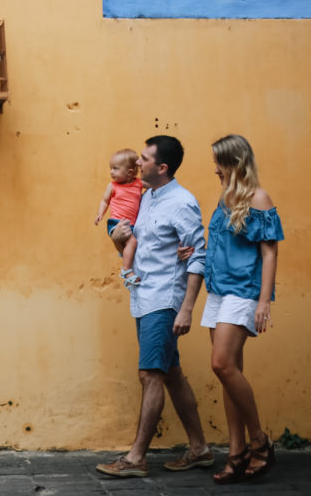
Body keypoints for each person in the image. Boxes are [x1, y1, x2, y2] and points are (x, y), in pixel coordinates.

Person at [96, 135, 212, 478]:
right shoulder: (145, 198)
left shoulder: (182, 202)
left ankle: (135, 458)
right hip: (145, 297)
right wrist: (119, 247)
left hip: (164, 300)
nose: (137, 164)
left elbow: (198, 256)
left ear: (161, 167)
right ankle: (200, 449)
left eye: (144, 159)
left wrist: (187, 308)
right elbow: (142, 250)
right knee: (171, 374)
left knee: (150, 375)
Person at [201, 135, 283, 484]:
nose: (214, 168)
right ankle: (236, 453)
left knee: (220, 363)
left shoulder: (258, 198)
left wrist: (263, 300)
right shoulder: (224, 198)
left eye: (219, 162)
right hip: (218, 290)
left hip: (243, 292)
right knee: (228, 371)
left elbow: (269, 252)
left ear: (235, 163)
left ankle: (259, 441)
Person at [94, 148, 144, 286]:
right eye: (111, 168)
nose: (111, 172)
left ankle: (128, 268)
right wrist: (100, 214)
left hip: (130, 224)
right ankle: (126, 270)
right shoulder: (112, 186)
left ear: (130, 172)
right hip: (116, 222)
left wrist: (139, 163)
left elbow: (152, 184)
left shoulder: (138, 184)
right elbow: (105, 200)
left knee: (130, 246)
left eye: (115, 169)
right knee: (132, 243)